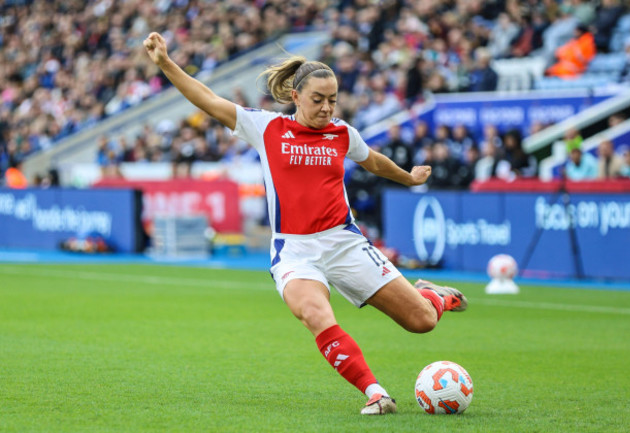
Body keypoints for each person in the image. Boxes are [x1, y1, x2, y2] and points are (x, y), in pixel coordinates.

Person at [143, 32, 468, 415]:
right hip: (294, 250)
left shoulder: (342, 133)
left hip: (343, 243)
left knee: (422, 322)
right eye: (318, 100)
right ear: (296, 97)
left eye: (332, 100)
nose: (327, 108)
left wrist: (409, 178)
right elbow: (209, 100)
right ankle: (376, 393)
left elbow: (374, 162)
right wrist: (165, 63)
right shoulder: (267, 128)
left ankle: (434, 295)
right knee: (316, 314)